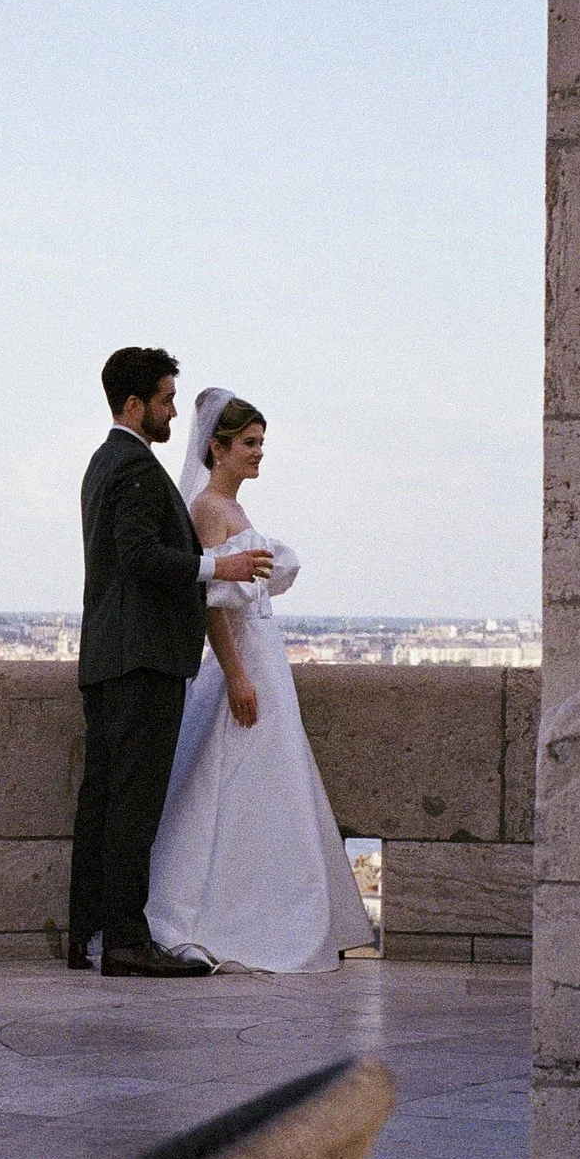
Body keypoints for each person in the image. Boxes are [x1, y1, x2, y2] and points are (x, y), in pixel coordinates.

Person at [144, 388, 375, 972]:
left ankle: (278, 906)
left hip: (264, 654)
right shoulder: (207, 510)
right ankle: (220, 914)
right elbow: (213, 605)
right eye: (249, 443)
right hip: (244, 662)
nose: (259, 454)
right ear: (217, 448)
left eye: (261, 443)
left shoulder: (235, 510)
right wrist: (237, 675)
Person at [73, 348, 274, 978]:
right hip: (143, 660)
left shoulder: (103, 463)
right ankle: (128, 943)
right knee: (132, 803)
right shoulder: (134, 468)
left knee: (102, 800)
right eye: (163, 398)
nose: (172, 411)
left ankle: (88, 937)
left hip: (111, 656)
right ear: (132, 405)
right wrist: (222, 566)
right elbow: (140, 559)